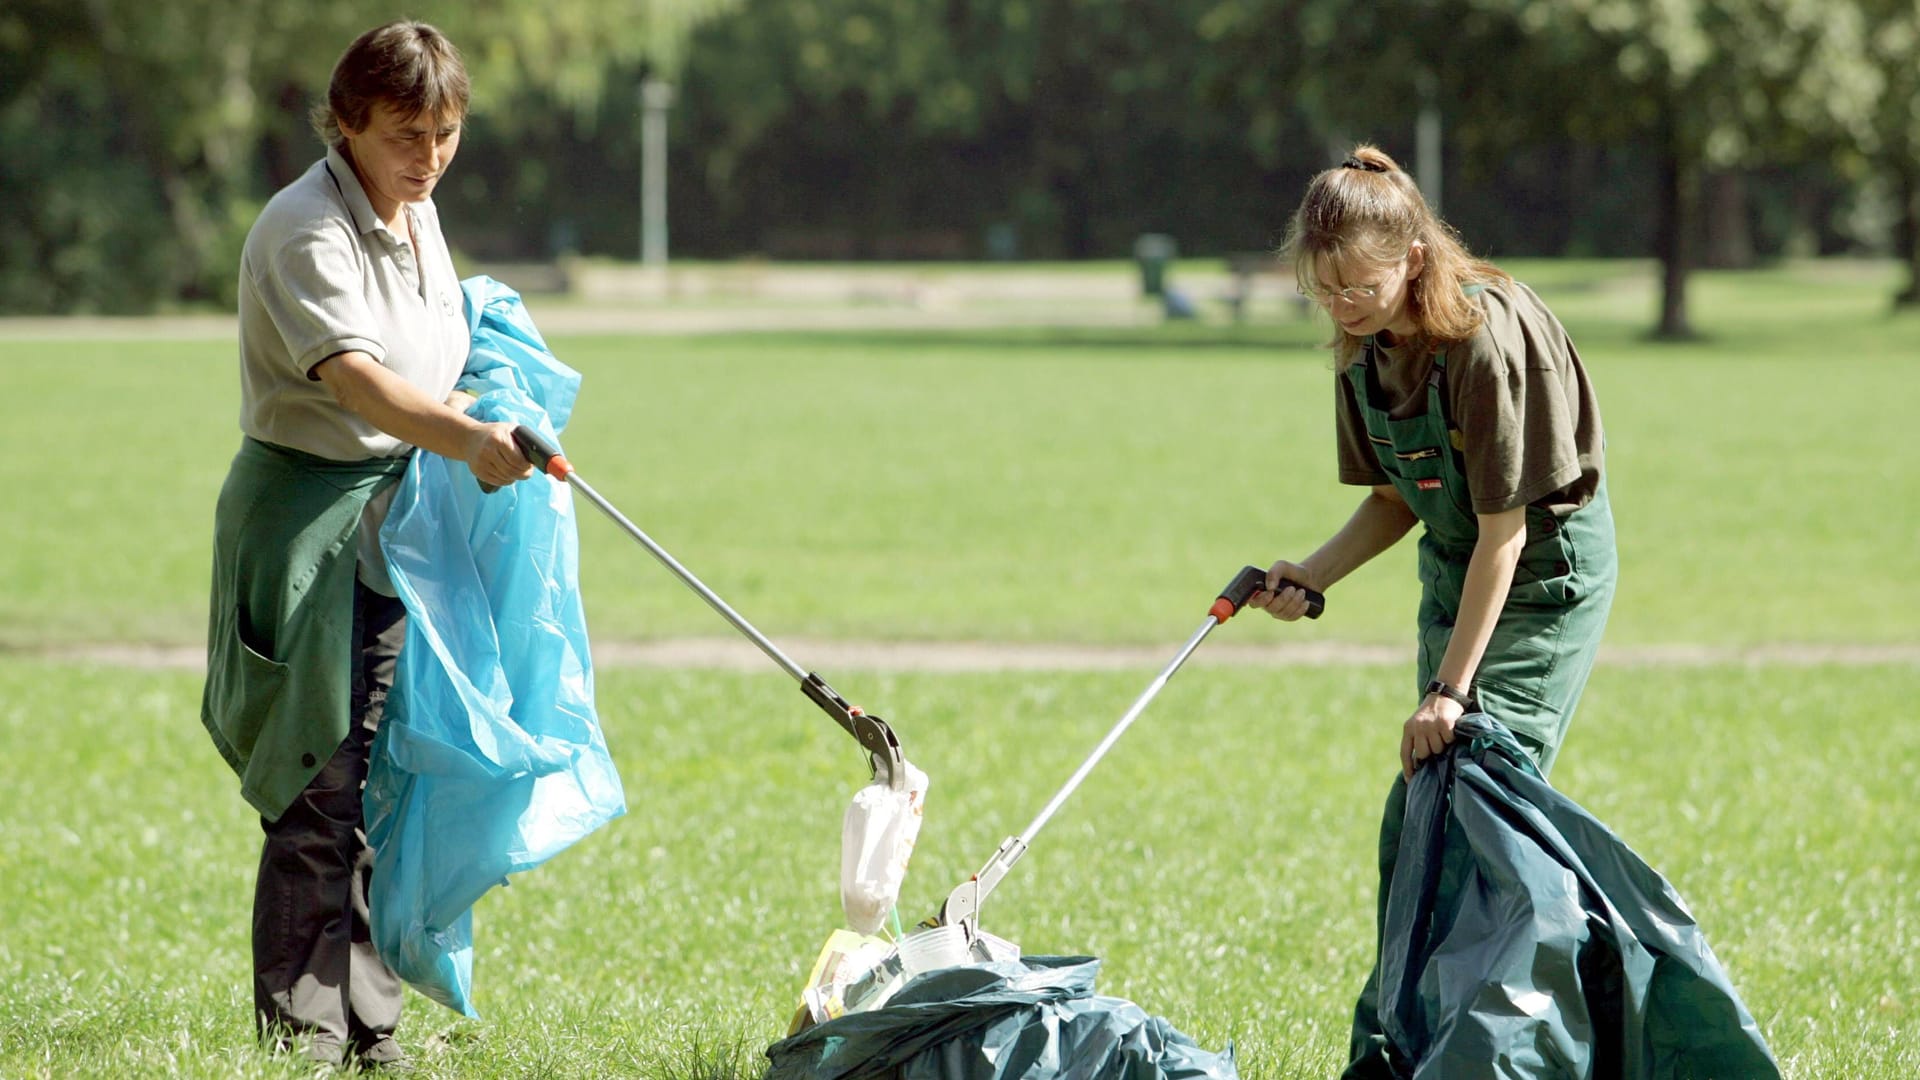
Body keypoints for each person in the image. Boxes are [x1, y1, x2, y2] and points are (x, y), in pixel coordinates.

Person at [198, 20, 533, 1069]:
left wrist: (503, 384)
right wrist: (469, 438)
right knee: (317, 787)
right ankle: (304, 1032)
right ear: (345, 123)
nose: (428, 156)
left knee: (382, 781)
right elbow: (356, 381)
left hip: (399, 526)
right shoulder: (306, 227)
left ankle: (369, 1028)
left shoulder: (414, 211)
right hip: (306, 524)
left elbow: (433, 354)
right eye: (404, 135)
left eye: (444, 133)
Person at [1248, 145, 1616, 1077]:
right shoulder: (1363, 350)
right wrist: (1312, 574)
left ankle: (1529, 1042)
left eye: (1359, 286)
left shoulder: (1482, 343)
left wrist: (1448, 693)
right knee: (1425, 813)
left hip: (1540, 574)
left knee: (1484, 808)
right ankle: (1409, 1046)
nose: (1342, 307)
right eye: (1323, 290)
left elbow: (1509, 536)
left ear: (1413, 255)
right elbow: (1396, 496)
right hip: (1455, 564)